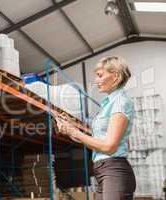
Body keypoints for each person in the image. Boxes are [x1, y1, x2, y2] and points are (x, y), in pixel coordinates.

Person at [56, 56, 136, 200]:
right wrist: (72, 127)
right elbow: (96, 140)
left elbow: (109, 146)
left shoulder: (120, 102)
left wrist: (74, 132)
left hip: (113, 170)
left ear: (116, 76)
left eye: (100, 75)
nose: (96, 80)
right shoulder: (107, 104)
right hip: (102, 170)